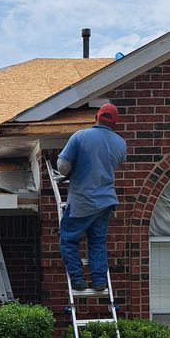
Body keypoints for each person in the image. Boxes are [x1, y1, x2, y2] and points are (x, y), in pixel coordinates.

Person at [57, 102, 126, 294]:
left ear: (96, 116)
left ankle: (78, 280)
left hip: (82, 200)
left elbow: (63, 166)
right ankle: (99, 281)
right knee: (97, 242)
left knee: (68, 239)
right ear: (115, 123)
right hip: (106, 202)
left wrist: (72, 170)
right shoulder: (120, 143)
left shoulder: (80, 136)